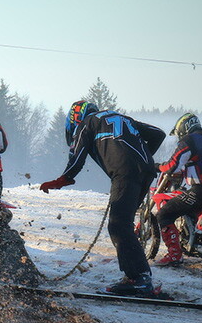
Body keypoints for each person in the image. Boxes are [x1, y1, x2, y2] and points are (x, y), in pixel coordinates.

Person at [40, 101, 166, 295]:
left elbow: (77, 153)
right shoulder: (123, 118)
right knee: (123, 225)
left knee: (118, 226)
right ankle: (140, 276)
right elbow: (158, 134)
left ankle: (138, 279)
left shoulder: (87, 122)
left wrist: (63, 179)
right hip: (146, 171)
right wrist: (143, 157)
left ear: (75, 118)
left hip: (125, 173)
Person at [154, 113, 202, 266]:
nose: (178, 137)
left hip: (201, 191)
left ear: (183, 128)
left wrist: (157, 166)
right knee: (198, 216)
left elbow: (172, 166)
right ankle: (200, 243)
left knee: (164, 214)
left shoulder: (188, 141)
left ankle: (174, 255)